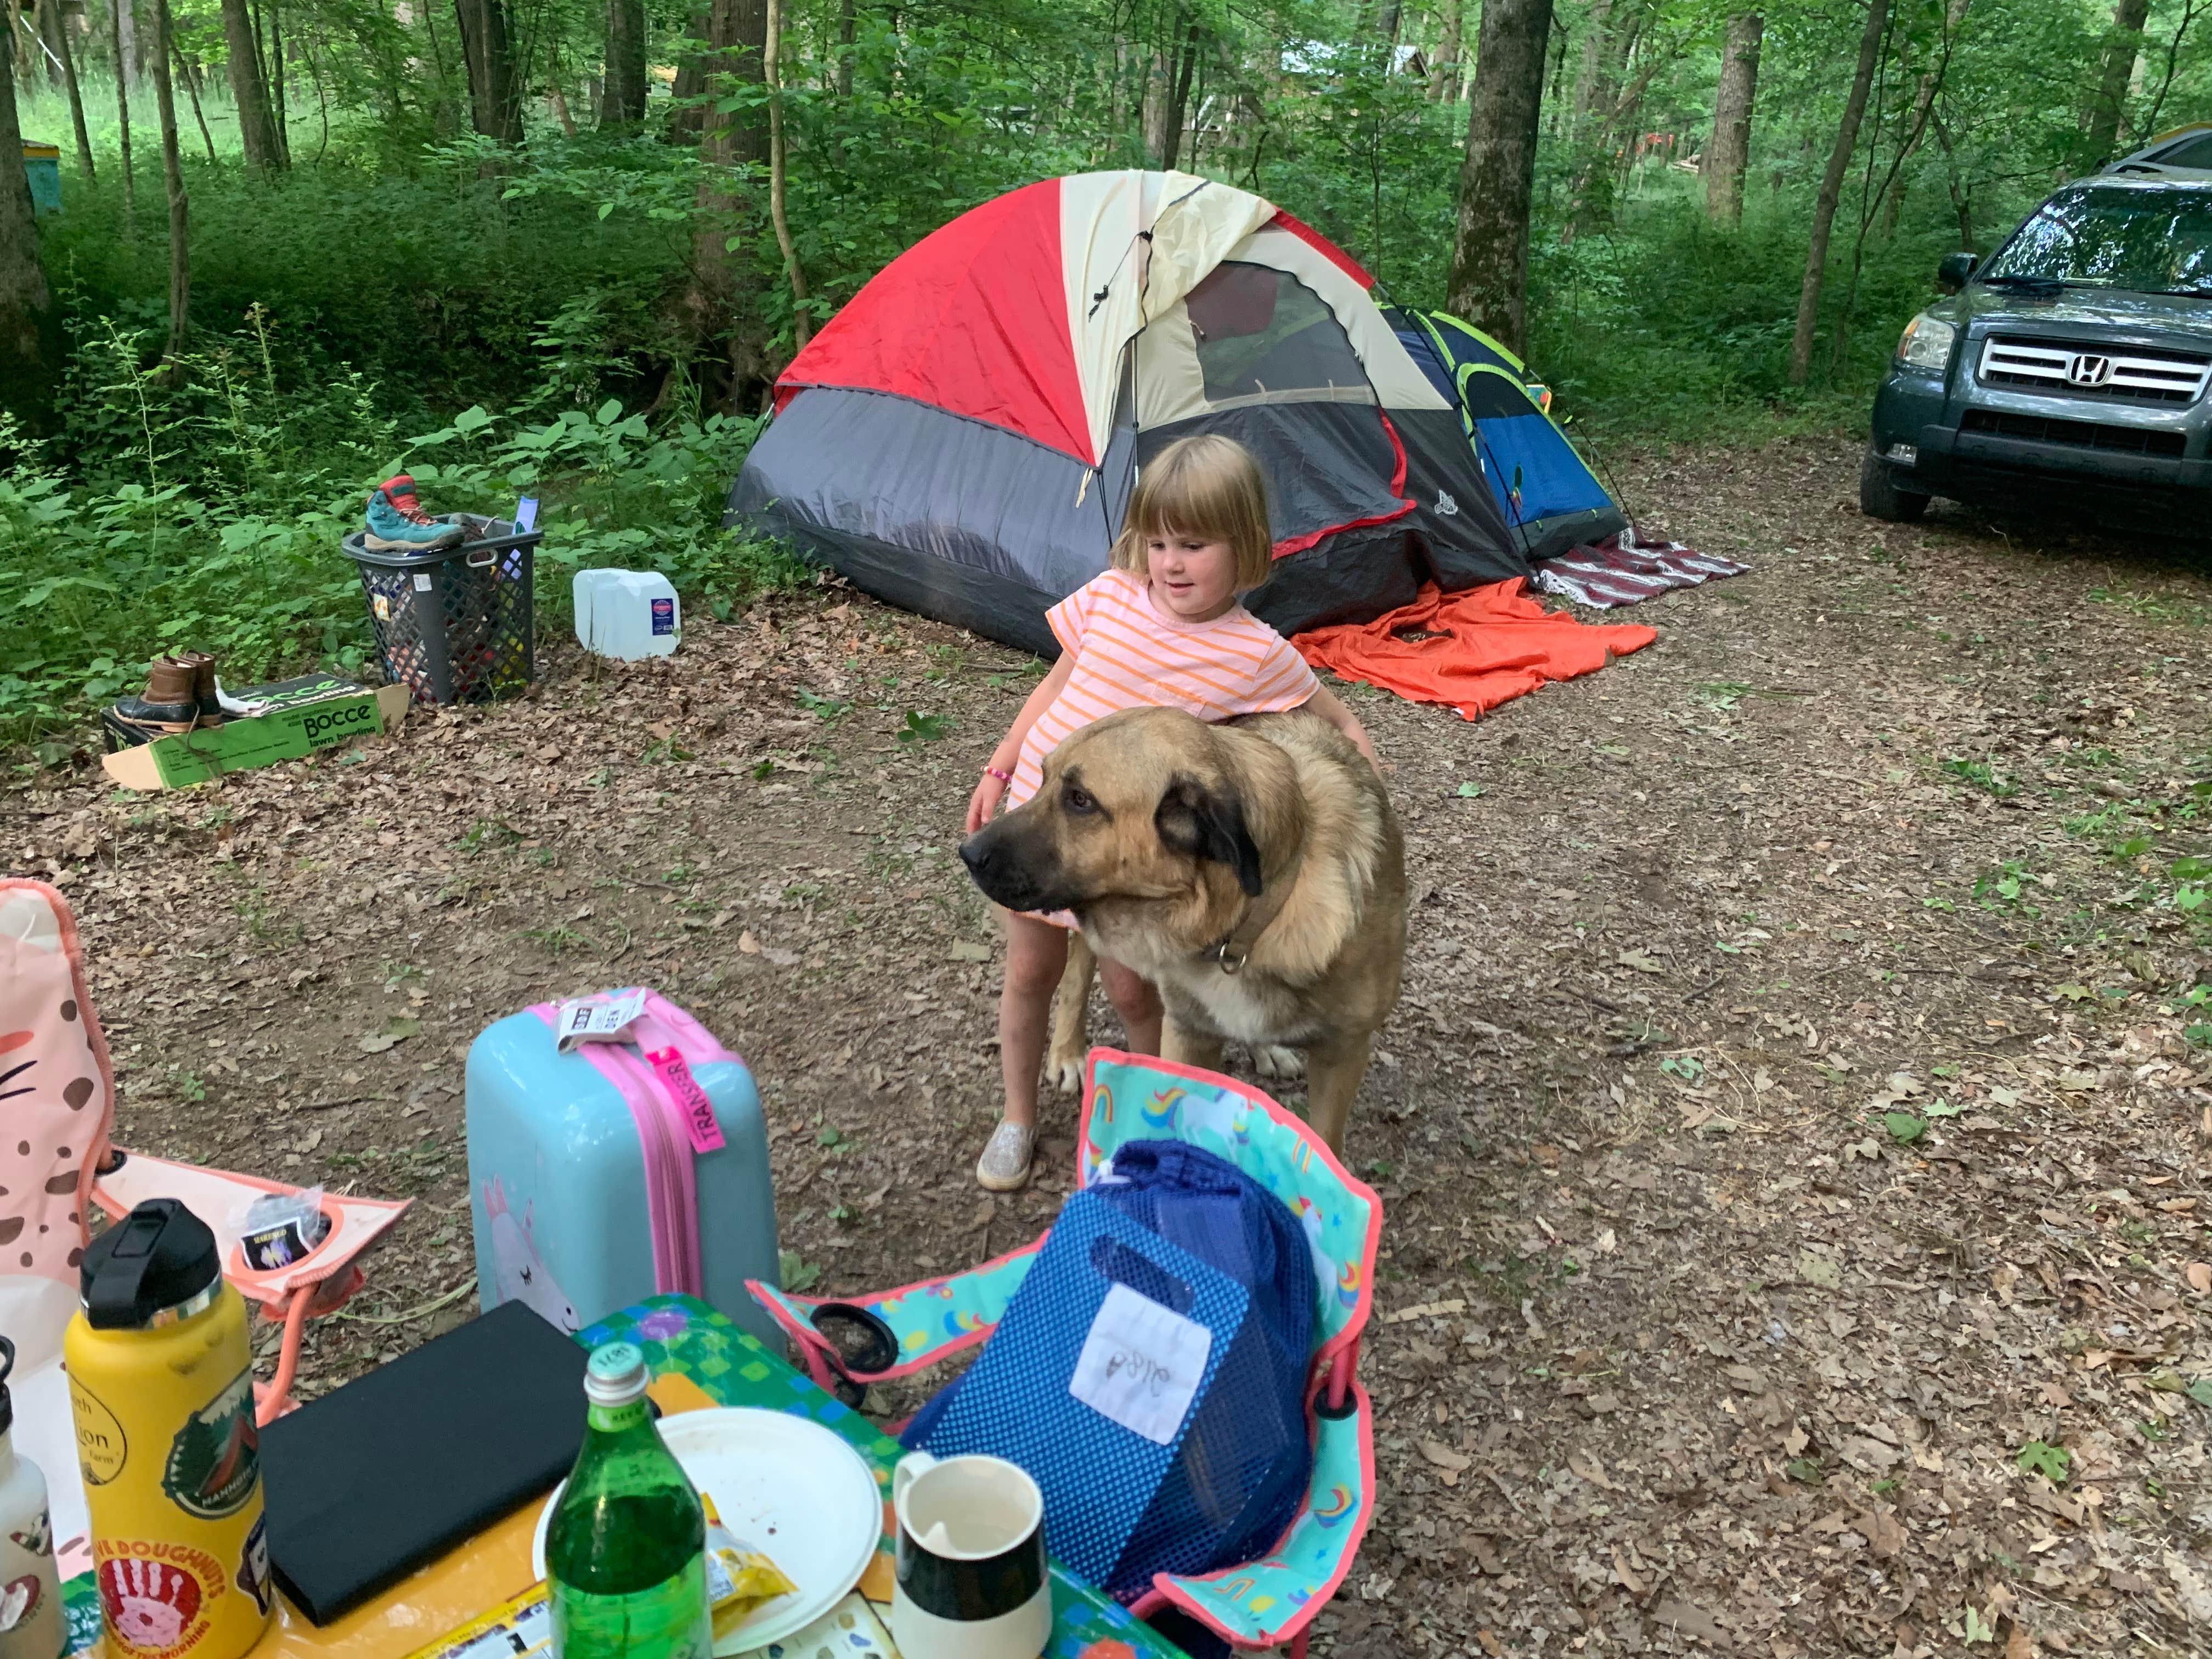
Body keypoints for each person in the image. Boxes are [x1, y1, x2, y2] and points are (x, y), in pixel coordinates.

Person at [963, 434, 1381, 1190]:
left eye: (1193, 544)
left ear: (1248, 547)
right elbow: (1054, 690)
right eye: (1156, 542)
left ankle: (1149, 1125)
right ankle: (1017, 1116)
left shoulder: (1254, 653)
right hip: (1052, 811)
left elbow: (1333, 720)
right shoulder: (1112, 597)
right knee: (1030, 972)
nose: (1170, 563)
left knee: (1135, 991)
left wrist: (1365, 763)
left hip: (1131, 856)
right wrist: (1002, 765)